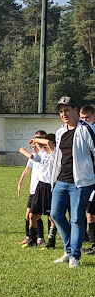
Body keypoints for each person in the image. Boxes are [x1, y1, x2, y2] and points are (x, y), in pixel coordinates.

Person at [45, 96, 95, 268]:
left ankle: (75, 256)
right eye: (60, 111)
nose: (63, 114)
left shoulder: (86, 130)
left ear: (75, 110)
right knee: (56, 215)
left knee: (76, 219)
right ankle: (68, 250)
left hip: (81, 183)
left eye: (66, 110)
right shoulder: (60, 132)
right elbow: (58, 157)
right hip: (61, 180)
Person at [19, 132, 55, 248]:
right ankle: (32, 240)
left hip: (50, 187)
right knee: (32, 215)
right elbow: (33, 157)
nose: (44, 146)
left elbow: (48, 142)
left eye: (45, 144)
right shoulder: (43, 153)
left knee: (51, 216)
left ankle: (51, 242)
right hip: (40, 187)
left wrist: (37, 140)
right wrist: (23, 150)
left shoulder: (56, 153)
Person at [79, 106, 95, 254]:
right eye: (81, 118)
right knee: (89, 211)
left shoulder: (92, 132)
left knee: (90, 211)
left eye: (87, 118)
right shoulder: (81, 131)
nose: (84, 121)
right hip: (87, 178)